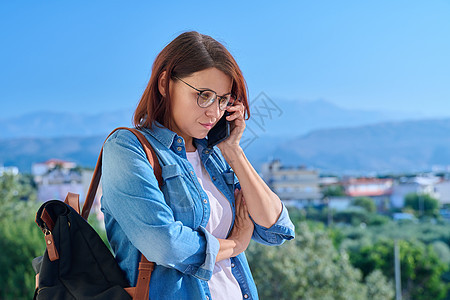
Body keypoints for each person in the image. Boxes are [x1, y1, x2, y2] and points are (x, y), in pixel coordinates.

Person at [101, 31, 295, 300]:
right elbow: (166, 244)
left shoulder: (216, 158)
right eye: (203, 95)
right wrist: (236, 244)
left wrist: (234, 152)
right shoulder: (127, 148)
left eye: (223, 99)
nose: (214, 112)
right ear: (165, 83)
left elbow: (276, 227)